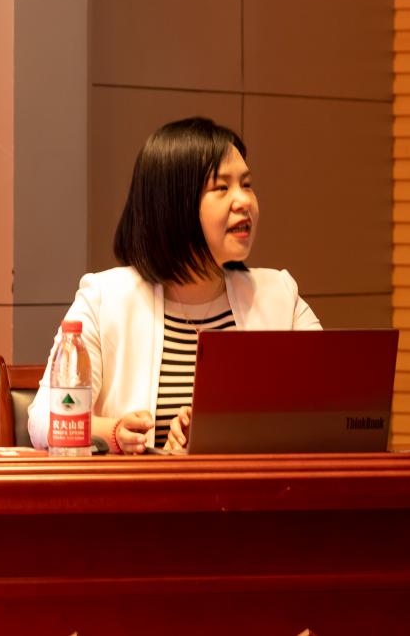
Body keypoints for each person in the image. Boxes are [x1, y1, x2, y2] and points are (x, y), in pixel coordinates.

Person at [28, 117, 321, 454]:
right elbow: (43, 420)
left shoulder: (279, 294)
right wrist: (117, 432)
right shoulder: (105, 299)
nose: (244, 201)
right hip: (142, 488)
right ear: (174, 204)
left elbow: (335, 406)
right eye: (222, 188)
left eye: (247, 184)